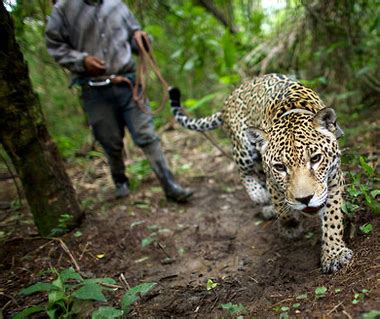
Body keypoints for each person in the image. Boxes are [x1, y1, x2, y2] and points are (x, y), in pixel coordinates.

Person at [45, 0, 193, 202]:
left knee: (146, 135)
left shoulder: (117, 5)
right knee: (110, 140)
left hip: (129, 86)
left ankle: (169, 184)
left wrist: (143, 39)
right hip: (95, 90)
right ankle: (120, 180)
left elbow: (134, 36)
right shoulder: (64, 9)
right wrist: (82, 61)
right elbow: (54, 45)